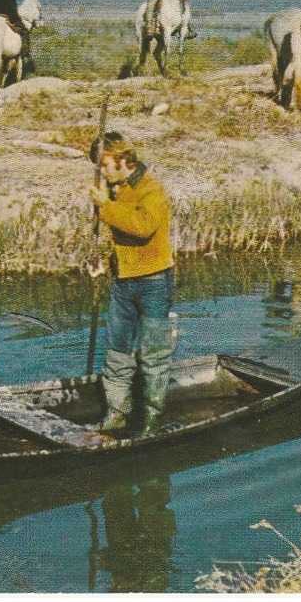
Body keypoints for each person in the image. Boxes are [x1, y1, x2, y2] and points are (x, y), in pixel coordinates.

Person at [88, 136, 174, 436]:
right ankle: (117, 413)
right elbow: (120, 237)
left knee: (153, 354)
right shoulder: (116, 190)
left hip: (154, 283)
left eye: (105, 166)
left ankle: (152, 419)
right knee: (118, 351)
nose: (102, 173)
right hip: (123, 283)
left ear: (122, 160)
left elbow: (142, 226)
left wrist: (105, 206)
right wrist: (104, 262)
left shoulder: (151, 187)